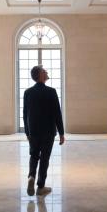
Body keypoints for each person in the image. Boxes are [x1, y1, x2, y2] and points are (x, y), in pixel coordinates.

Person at [23, 65, 65, 196]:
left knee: (34, 155)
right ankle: (40, 186)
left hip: (34, 131)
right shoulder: (51, 91)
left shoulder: (28, 92)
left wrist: (27, 132)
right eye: (44, 71)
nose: (46, 72)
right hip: (48, 132)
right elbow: (57, 113)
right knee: (45, 158)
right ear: (40, 75)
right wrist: (61, 133)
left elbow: (25, 114)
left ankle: (31, 177)